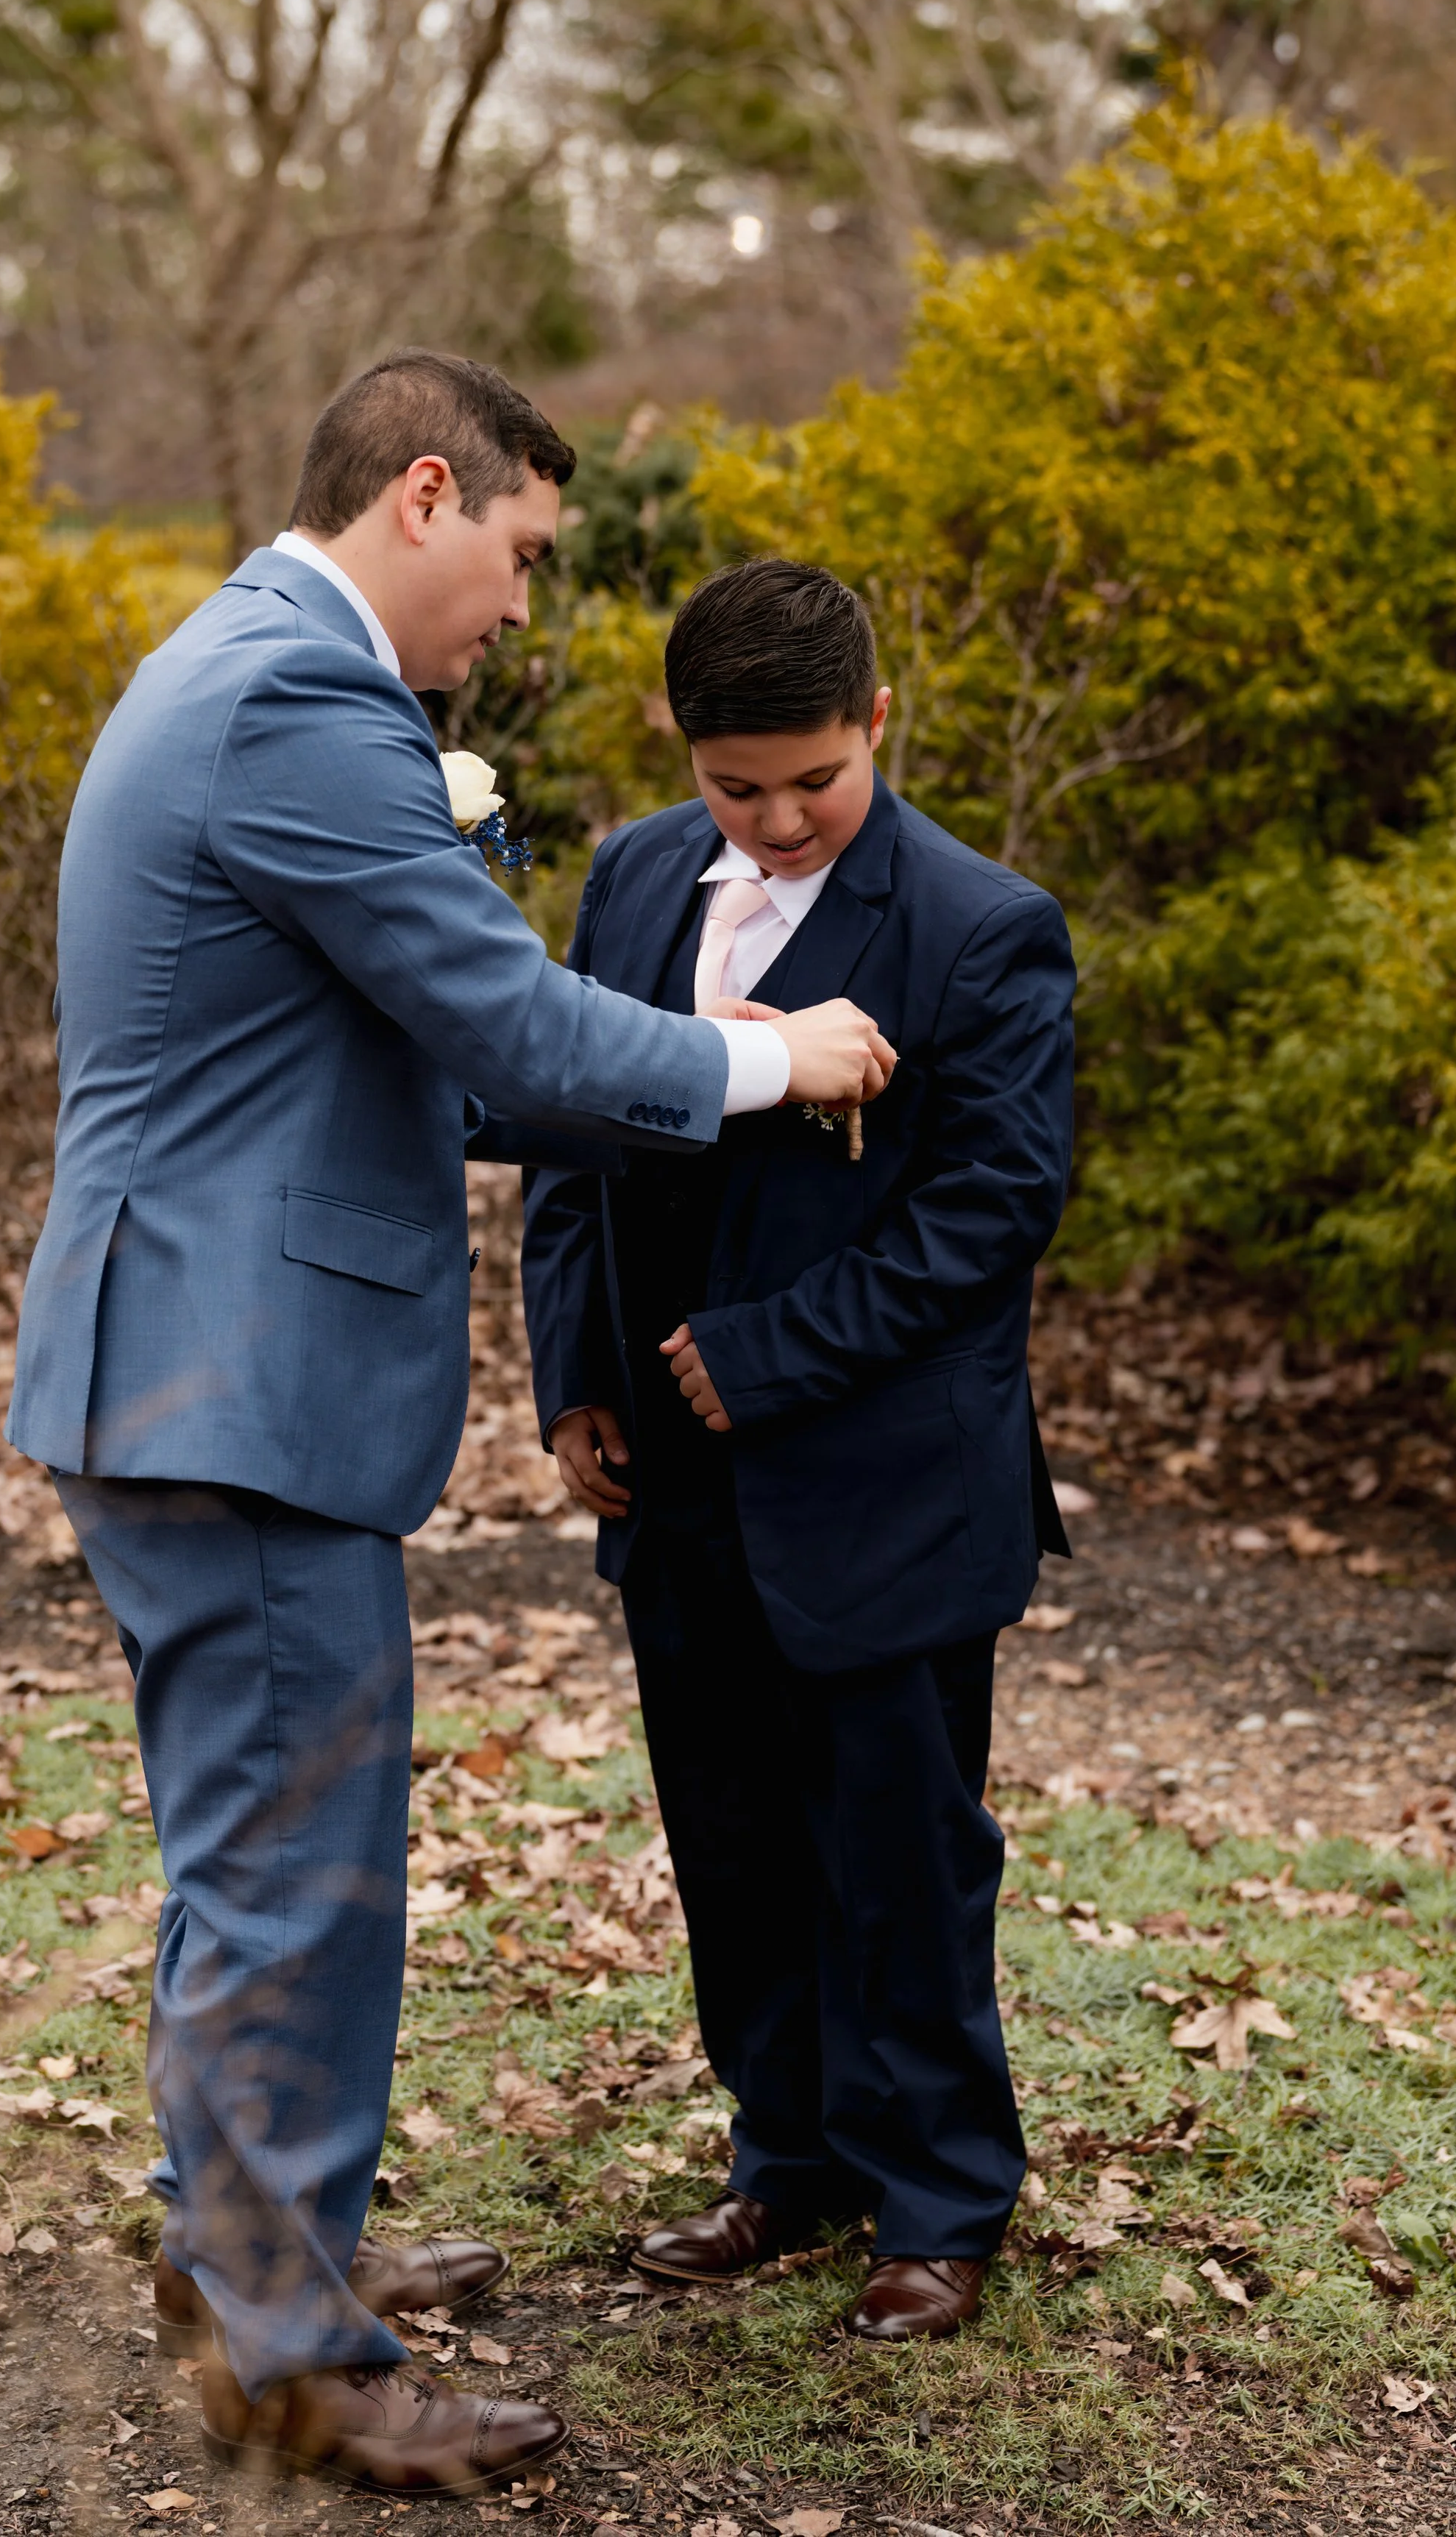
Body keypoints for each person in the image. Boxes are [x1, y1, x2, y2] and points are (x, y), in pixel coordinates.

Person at [6, 358, 893, 2496]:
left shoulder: (235, 665)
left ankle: (239, 2239)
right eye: (514, 556)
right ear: (428, 491)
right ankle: (297, 2352)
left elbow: (418, 1050)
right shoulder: (300, 704)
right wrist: (771, 1066)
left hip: (181, 1361)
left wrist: (673, 1041)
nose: (515, 609)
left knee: (251, 1853)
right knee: (302, 1868)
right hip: (231, 1382)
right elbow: (495, 1009)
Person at [520, 556, 1076, 2344]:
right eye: (732, 786)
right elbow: (566, 1146)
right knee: (732, 1837)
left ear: (877, 727)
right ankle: (788, 2160)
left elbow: (991, 1212)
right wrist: (571, 1379)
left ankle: (937, 2196)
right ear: (681, 754)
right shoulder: (620, 882)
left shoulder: (980, 928)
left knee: (896, 1847)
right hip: (672, 1485)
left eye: (810, 783)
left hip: (880, 1489)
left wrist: (759, 1355)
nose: (771, 820)